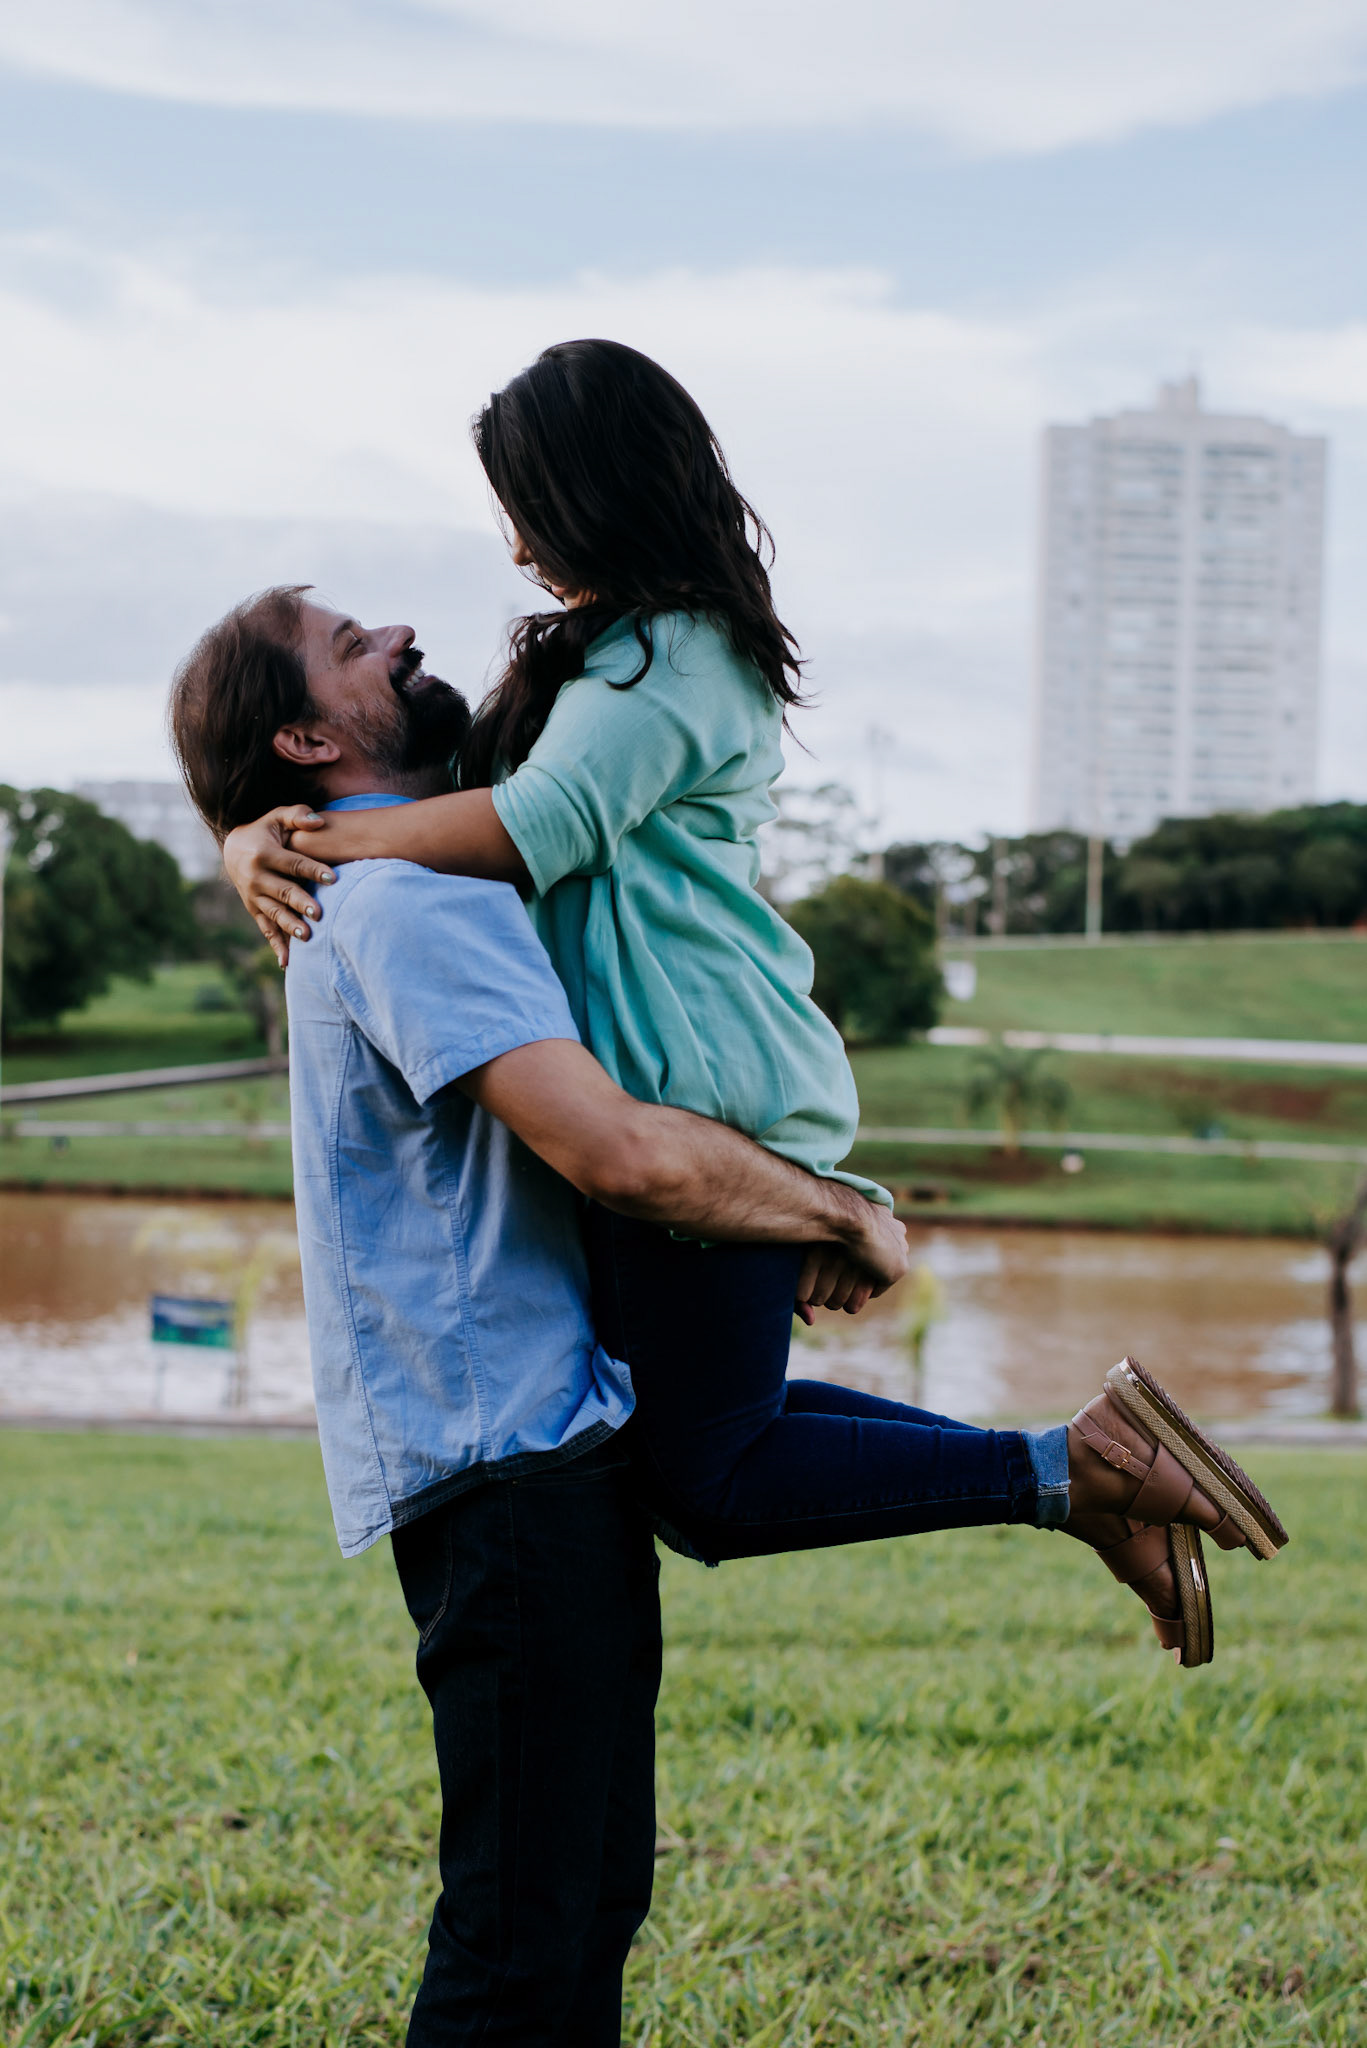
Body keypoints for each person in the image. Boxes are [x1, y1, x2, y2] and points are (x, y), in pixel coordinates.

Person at [223, 345, 1287, 1664]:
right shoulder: (609, 661)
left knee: (709, 1481)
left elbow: (533, 821)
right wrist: (246, 837)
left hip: (703, 1092)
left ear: (592, 492)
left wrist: (304, 841)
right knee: (709, 1450)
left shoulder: (680, 653)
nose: (515, 547)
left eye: (524, 507)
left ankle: (1078, 1472)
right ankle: (1076, 1468)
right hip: (674, 1085)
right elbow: (438, 797)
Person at [169, 587, 912, 2046]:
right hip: (507, 1464)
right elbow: (622, 1154)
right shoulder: (405, 902)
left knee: (581, 1907)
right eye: (349, 645)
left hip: (537, 1446)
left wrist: (246, 835)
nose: (398, 635)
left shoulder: (386, 876)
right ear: (308, 737)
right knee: (519, 1940)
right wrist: (838, 1211)